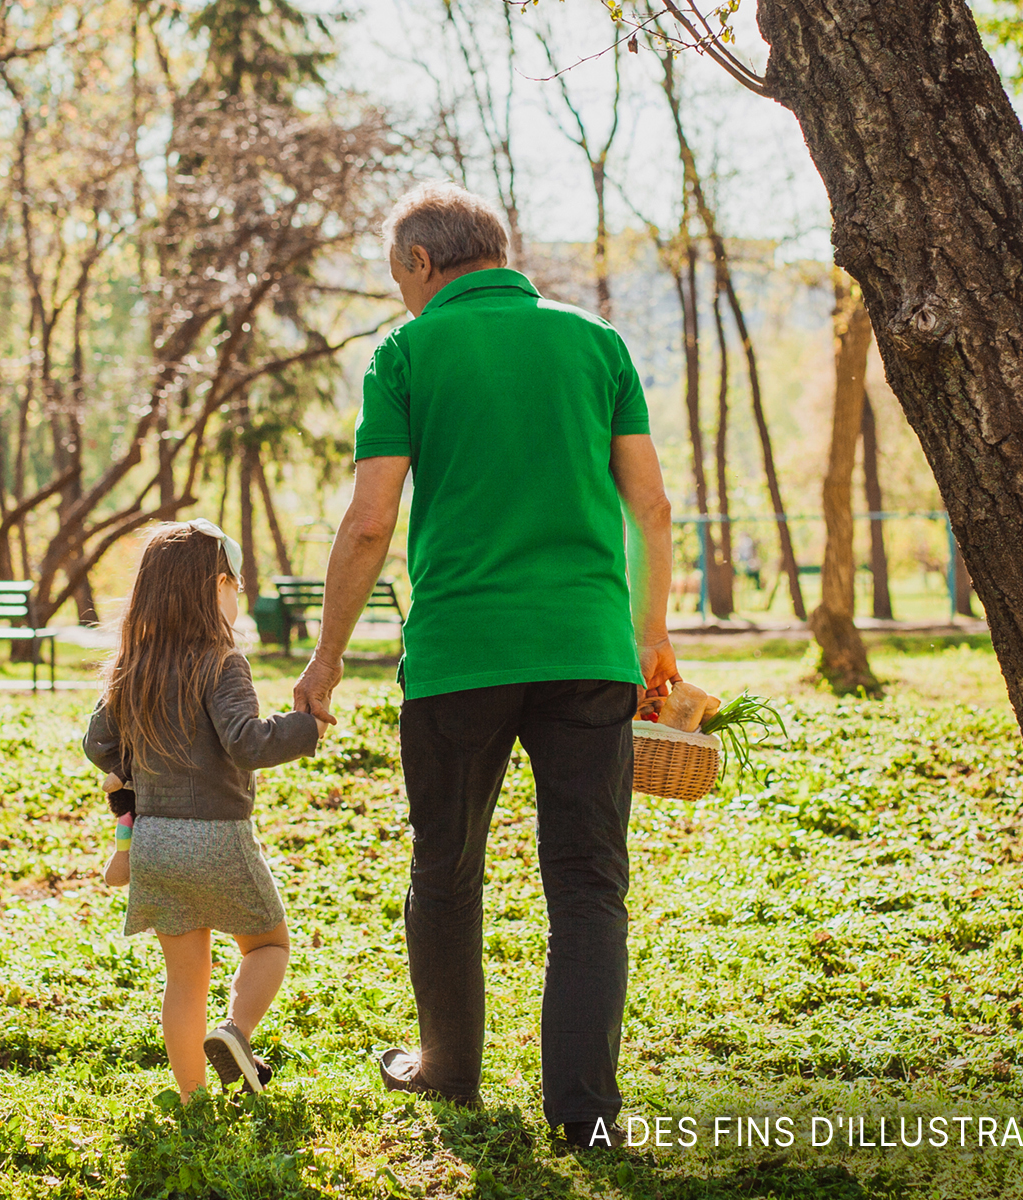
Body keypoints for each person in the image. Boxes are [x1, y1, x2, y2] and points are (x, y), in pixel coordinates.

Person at [291, 182, 678, 1149]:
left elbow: (371, 518)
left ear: (422, 264)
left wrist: (326, 659)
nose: (402, 298)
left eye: (398, 280)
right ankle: (585, 1115)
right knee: (590, 882)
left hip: (461, 656)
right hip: (590, 652)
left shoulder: (408, 352)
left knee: (447, 867)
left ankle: (449, 1070)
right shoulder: (596, 343)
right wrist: (653, 633)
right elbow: (653, 508)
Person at [84, 519, 322, 1097]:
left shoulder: (130, 666)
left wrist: (130, 771)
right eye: (236, 585)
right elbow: (246, 740)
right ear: (217, 585)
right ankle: (236, 1032)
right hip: (219, 836)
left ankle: (192, 1099)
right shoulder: (222, 662)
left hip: (155, 843)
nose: (238, 596)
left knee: (185, 979)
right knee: (269, 945)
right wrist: (305, 727)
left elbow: (98, 744)